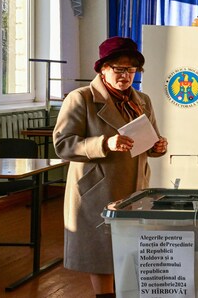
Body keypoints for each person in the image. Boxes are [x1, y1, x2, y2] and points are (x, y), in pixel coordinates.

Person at [53, 37, 168, 297]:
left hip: (135, 186)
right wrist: (105, 143)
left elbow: (150, 139)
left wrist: (157, 147)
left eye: (131, 69)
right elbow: (63, 145)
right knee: (102, 251)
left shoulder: (142, 100)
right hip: (98, 188)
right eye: (118, 68)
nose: (125, 75)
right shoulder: (80, 98)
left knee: (131, 248)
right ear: (102, 68)